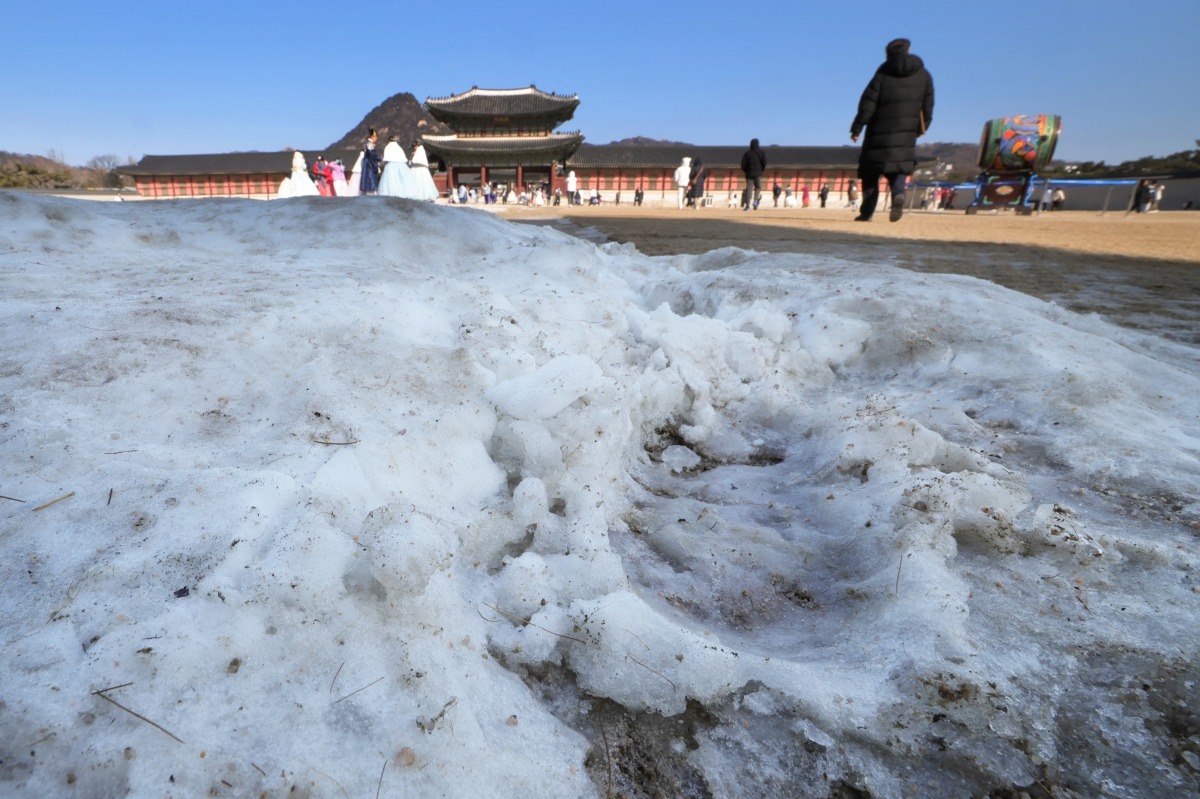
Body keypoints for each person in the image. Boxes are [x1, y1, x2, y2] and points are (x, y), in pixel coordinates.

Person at [850, 38, 934, 222]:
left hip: (878, 131)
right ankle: (898, 193)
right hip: (907, 132)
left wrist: (857, 127)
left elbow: (867, 104)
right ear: (908, 51)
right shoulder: (924, 75)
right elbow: (928, 105)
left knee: (871, 173)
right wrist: (922, 127)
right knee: (898, 169)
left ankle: (867, 213)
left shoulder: (882, 74)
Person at [740, 138, 766, 210]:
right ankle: (755, 201)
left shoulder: (747, 153)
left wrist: (746, 171)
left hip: (749, 174)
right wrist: (761, 170)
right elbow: (764, 163)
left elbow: (743, 164)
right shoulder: (761, 153)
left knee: (749, 188)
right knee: (758, 187)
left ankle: (747, 205)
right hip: (758, 173)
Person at [359, 129, 382, 195]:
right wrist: (379, 158)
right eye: (376, 137)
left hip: (368, 162)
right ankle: (371, 192)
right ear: (373, 137)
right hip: (369, 164)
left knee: (370, 177)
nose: (376, 139)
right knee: (370, 178)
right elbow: (372, 154)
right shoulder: (369, 144)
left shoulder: (368, 143)